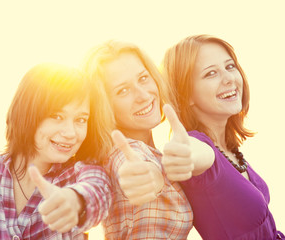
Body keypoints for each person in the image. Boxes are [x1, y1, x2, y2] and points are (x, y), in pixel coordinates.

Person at [0, 63, 113, 240]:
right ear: (27, 113)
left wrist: (74, 201)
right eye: (57, 116)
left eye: (81, 119)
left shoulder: (82, 172)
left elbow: (98, 192)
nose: (70, 133)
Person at [162, 34, 284, 240]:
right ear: (186, 95)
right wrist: (182, 154)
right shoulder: (200, 147)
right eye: (211, 73)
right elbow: (193, 152)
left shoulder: (229, 150)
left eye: (229, 66)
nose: (229, 78)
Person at [83, 40, 196, 239]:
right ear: (104, 107)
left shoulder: (153, 151)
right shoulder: (122, 154)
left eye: (143, 78)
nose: (143, 95)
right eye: (122, 90)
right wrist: (149, 178)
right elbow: (135, 168)